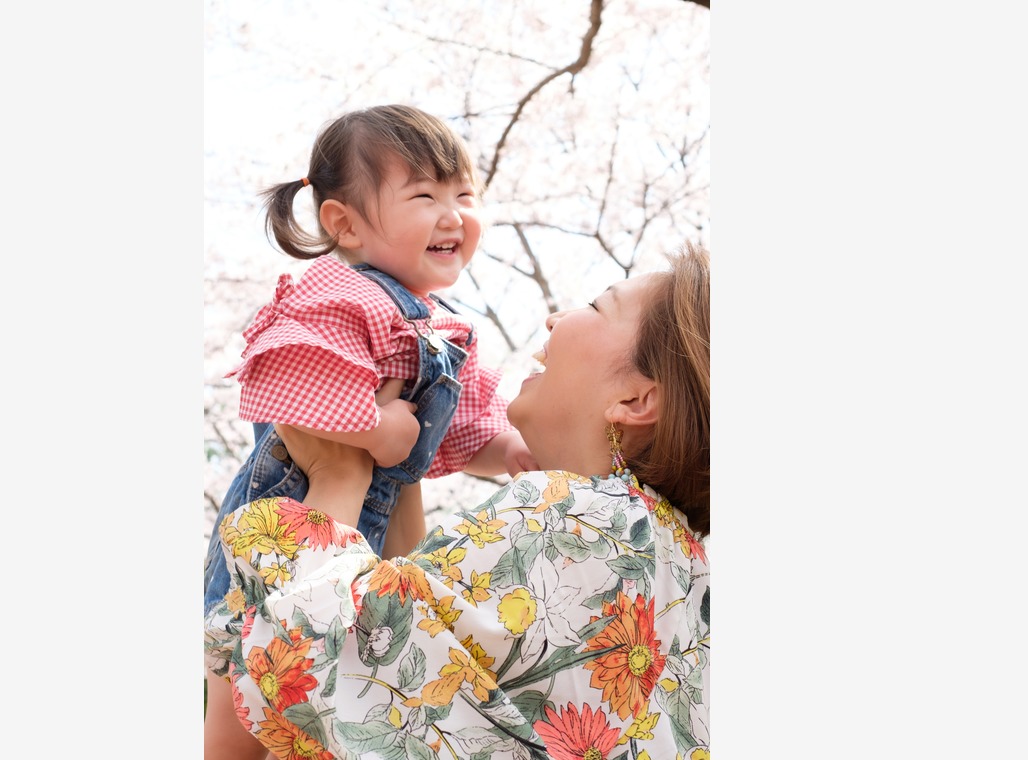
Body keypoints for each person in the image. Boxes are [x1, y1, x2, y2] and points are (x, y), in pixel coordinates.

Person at [203, 243, 711, 760]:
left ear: (636, 399)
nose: (557, 319)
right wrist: (401, 466)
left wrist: (336, 472)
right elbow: (443, 660)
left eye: (599, 306)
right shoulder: (678, 569)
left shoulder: (579, 517)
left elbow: (337, 667)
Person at [204, 104, 537, 611]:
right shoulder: (343, 294)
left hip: (360, 549)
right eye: (425, 195)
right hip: (280, 529)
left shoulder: (443, 328)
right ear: (346, 225)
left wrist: (508, 449)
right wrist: (378, 429)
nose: (454, 215)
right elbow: (297, 385)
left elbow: (466, 426)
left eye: (465, 194)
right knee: (247, 643)